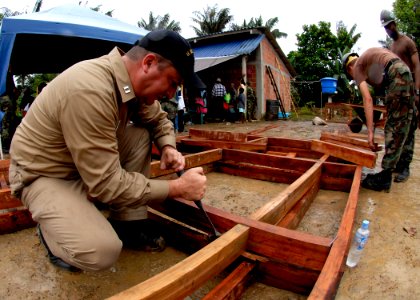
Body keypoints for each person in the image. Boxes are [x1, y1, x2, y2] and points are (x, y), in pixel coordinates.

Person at [9, 30, 207, 272]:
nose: (170, 93)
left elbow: (159, 120)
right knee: (100, 252)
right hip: (44, 173)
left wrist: (167, 146)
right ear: (149, 63)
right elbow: (106, 184)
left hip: (78, 163)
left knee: (140, 136)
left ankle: (127, 224)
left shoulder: (130, 85)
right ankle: (52, 232)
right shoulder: (91, 89)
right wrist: (178, 188)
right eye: (173, 83)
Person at [342, 48, 417, 192]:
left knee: (393, 126)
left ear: (349, 67)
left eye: (351, 76)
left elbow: (367, 99)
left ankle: (385, 177)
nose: (355, 78)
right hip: (405, 72)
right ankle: (403, 166)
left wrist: (370, 133)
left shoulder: (357, 67)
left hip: (396, 73)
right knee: (406, 122)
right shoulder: (370, 61)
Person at [380, 10, 420, 128]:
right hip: (397, 90)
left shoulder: (408, 42)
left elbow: (417, 66)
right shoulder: (391, 47)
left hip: (410, 88)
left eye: (388, 26)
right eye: (385, 28)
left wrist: (417, 91)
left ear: (394, 24)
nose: (387, 30)